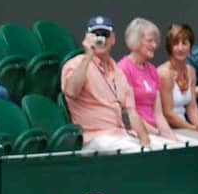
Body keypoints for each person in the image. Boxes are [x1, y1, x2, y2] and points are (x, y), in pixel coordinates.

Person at [61, 15, 166, 154]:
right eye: (96, 35)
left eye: (105, 35)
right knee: (140, 153)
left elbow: (132, 112)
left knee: (168, 148)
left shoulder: (118, 72)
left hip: (120, 134)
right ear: (88, 37)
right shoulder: (76, 64)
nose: (101, 39)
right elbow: (71, 91)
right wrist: (88, 56)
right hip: (95, 138)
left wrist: (145, 140)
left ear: (113, 39)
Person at [117, 18, 183, 148]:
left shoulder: (152, 70)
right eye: (149, 41)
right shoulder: (124, 68)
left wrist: (170, 135)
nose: (154, 45)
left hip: (155, 132)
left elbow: (158, 114)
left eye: (155, 41)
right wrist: (157, 133)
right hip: (136, 133)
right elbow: (129, 113)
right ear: (135, 41)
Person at [157, 23, 198, 144]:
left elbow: (192, 107)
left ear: (190, 46)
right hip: (168, 129)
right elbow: (168, 113)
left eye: (184, 43)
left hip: (186, 127)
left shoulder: (191, 71)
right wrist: (193, 129)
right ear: (169, 47)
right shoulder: (164, 73)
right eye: (176, 43)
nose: (180, 48)